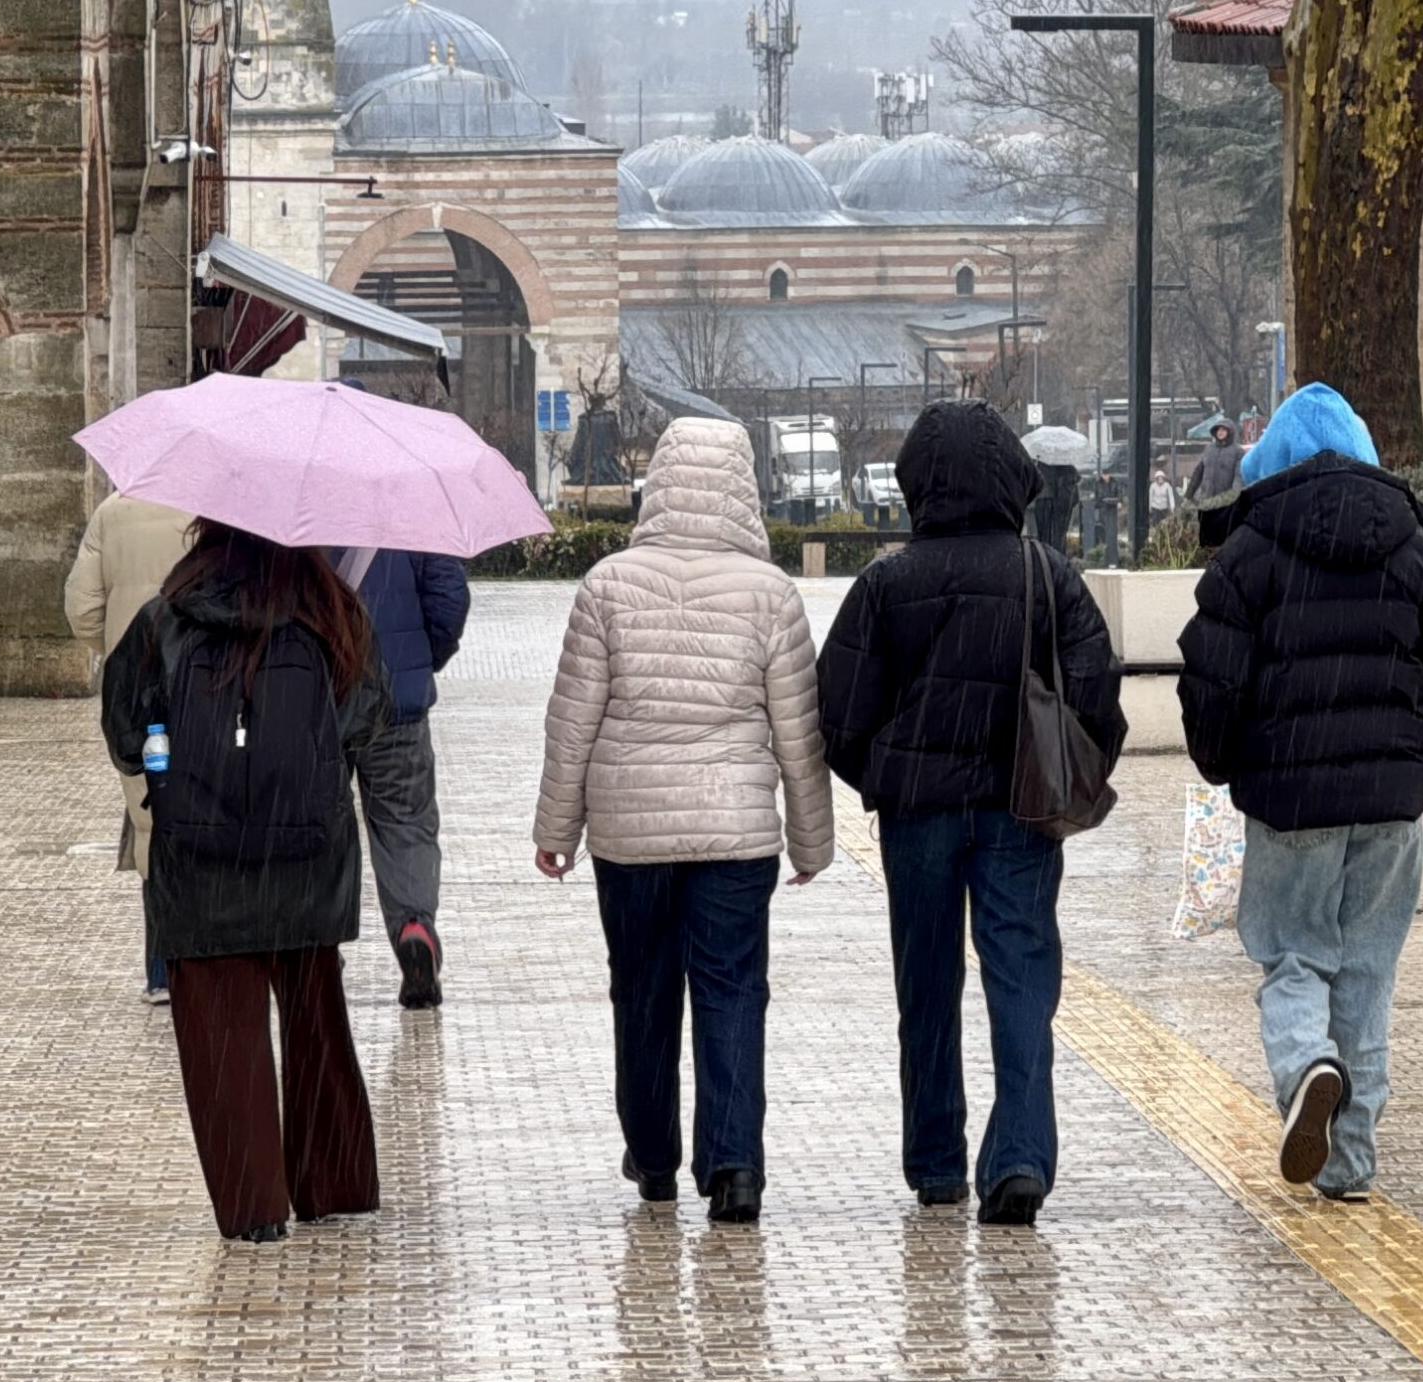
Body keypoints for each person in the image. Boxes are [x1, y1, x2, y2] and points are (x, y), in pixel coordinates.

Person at [1177, 383, 1423, 1202]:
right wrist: (1419, 753)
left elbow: (1209, 684)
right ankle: (1349, 1162)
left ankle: (1303, 1064)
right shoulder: (1420, 552)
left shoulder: (1247, 555)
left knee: (1292, 955)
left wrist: (1223, 764)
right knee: (1366, 973)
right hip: (1392, 803)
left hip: (1287, 801)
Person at [816, 401, 1125, 1228]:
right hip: (1020, 808)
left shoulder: (887, 583)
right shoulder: (1044, 573)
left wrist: (886, 769)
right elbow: (1095, 686)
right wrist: (1075, 764)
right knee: (1020, 979)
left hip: (918, 815)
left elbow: (838, 711)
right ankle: (1019, 1156)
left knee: (925, 983)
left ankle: (935, 1162)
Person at [532, 417, 834, 1226]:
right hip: (736, 833)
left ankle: (654, 1158)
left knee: (640, 988)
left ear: (658, 482)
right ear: (744, 488)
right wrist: (810, 839)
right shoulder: (771, 594)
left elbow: (573, 721)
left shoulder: (606, 584)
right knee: (734, 989)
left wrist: (556, 828)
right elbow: (798, 732)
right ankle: (735, 1167)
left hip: (629, 832)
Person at [101, 521, 388, 1243]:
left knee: (219, 1035)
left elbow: (124, 734)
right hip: (306, 853)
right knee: (316, 1019)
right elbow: (367, 718)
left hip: (198, 862)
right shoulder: (333, 614)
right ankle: (333, 1183)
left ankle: (253, 1203)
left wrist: (176, 759)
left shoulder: (164, 618)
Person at [65, 490, 196, 1004]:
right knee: (215, 808)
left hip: (140, 691)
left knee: (151, 818)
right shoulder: (214, 509)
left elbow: (81, 610)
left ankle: (163, 971)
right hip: (209, 681)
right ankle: (215, 955)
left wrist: (121, 650)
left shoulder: (111, 512)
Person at [336, 546, 470, 1008]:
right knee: (406, 822)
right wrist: (419, 659)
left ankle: (319, 946)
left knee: (319, 823)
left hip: (316, 697)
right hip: (397, 701)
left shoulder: (298, 496)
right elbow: (449, 598)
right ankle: (414, 926)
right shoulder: (412, 499)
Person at [1186, 419, 1245, 503]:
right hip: (1206, 499)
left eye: (1223, 429)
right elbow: (1198, 472)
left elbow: (1238, 477)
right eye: (1218, 429)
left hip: (1224, 500)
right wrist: (1189, 495)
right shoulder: (1209, 449)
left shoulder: (1238, 451)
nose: (1220, 432)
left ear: (1230, 431)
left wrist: (1234, 497)